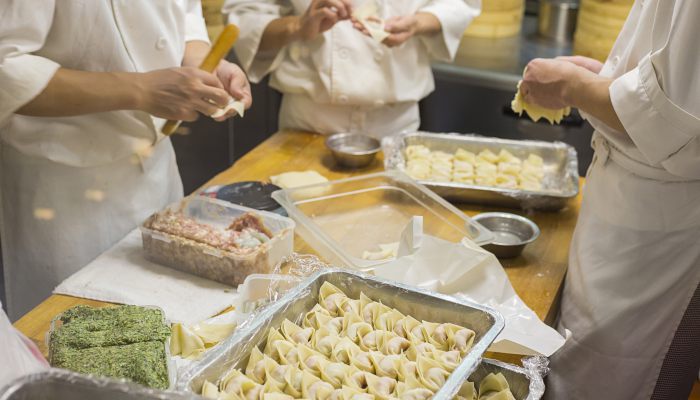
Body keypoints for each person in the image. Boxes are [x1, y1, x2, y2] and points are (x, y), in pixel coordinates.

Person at [0, 1, 252, 320]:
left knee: (177, 325)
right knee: (75, 337)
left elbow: (183, 12)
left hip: (157, 168)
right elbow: (6, 66)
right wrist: (140, 90)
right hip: (64, 188)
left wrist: (202, 65)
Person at [518, 0, 700, 398]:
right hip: (633, 212)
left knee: (614, 377)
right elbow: (674, 85)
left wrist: (572, 86)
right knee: (579, 362)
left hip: (661, 231)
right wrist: (610, 77)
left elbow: (674, 126)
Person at [224, 0, 479, 137]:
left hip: (396, 123)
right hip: (309, 122)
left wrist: (419, 23)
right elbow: (243, 16)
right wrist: (299, 26)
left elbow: (460, 4)